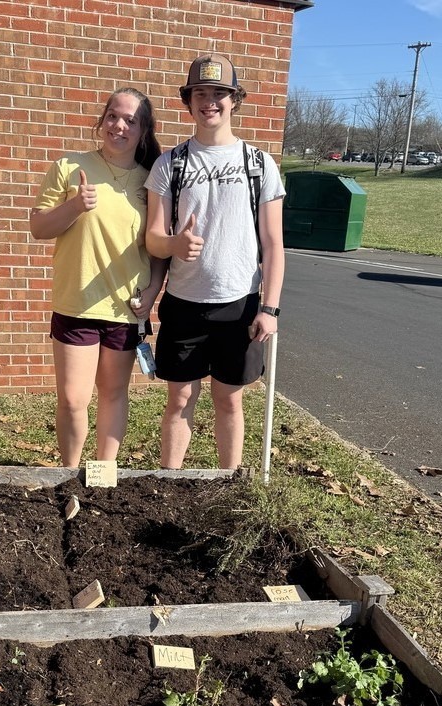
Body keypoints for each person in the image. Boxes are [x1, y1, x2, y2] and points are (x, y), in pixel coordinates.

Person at [145, 53, 286, 469]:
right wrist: (173, 245)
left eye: (220, 94)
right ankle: (169, 482)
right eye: (201, 94)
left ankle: (229, 485)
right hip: (184, 303)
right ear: (188, 101)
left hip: (239, 304)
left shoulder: (259, 165)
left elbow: (274, 245)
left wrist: (270, 308)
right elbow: (153, 239)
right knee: (180, 398)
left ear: (235, 100)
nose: (210, 102)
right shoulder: (169, 164)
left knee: (229, 399)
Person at [30, 88, 166, 467]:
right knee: (73, 399)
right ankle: (69, 473)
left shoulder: (151, 182)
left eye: (130, 120)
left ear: (143, 130)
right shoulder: (69, 167)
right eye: (112, 116)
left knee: (113, 394)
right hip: (77, 303)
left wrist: (153, 290)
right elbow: (38, 227)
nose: (119, 126)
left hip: (125, 308)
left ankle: (103, 475)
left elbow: (155, 247)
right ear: (102, 120)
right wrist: (75, 205)